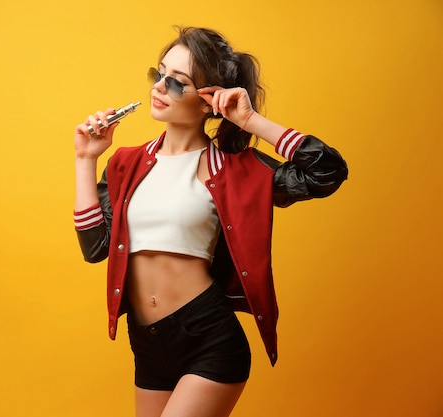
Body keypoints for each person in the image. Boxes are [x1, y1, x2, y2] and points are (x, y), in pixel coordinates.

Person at [72, 26, 348, 417]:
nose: (159, 87)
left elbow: (327, 172)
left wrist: (251, 121)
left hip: (208, 337)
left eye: (176, 82)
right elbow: (95, 248)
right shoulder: (125, 164)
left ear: (209, 103)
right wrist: (86, 159)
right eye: (159, 73)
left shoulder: (234, 171)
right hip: (148, 342)